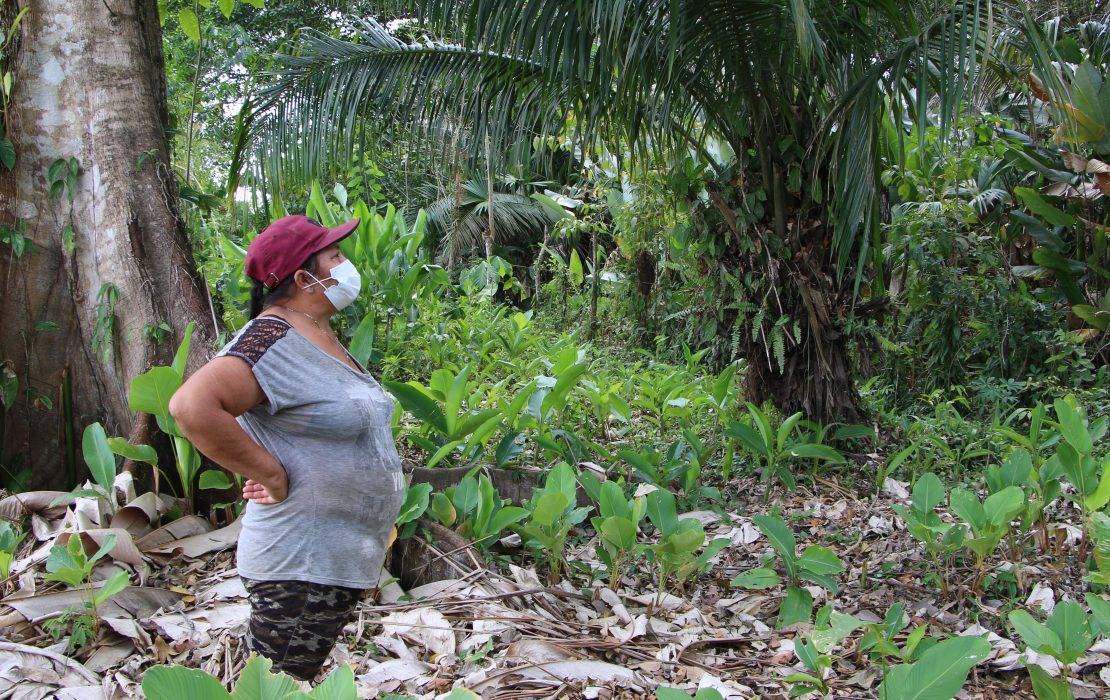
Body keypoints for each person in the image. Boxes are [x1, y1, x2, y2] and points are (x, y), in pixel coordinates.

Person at [169, 214, 404, 681]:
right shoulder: (268, 338)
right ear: (304, 279)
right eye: (335, 257)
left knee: (286, 682)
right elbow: (192, 406)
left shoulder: (315, 334)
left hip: (330, 560)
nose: (346, 264)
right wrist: (270, 473)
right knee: (277, 687)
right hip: (299, 561)